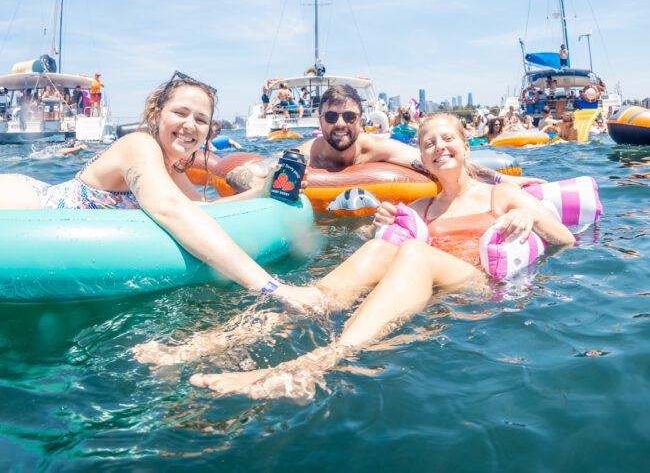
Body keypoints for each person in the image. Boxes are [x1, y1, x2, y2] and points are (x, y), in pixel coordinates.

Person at [160, 113, 573, 399]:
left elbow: (563, 240)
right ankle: (222, 341)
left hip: (479, 291)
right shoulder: (423, 209)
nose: (439, 147)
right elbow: (389, 257)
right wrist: (378, 228)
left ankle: (314, 366)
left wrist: (524, 215)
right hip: (437, 294)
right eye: (429, 143)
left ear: (466, 147)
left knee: (411, 250)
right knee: (381, 246)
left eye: (448, 139)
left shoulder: (500, 194)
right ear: (422, 157)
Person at [0, 72, 318, 308]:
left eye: (201, 119)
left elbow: (202, 211)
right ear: (157, 115)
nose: (190, 125)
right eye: (179, 113)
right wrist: (269, 287)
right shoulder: (139, 145)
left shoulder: (171, 167)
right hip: (23, 204)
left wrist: (262, 192)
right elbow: (171, 211)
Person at [225, 85, 543, 194]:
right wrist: (262, 189)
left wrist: (505, 182)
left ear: (360, 121)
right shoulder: (307, 153)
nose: (340, 124)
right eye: (331, 117)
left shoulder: (378, 148)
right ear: (319, 121)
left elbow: (435, 164)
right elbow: (243, 172)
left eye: (349, 117)